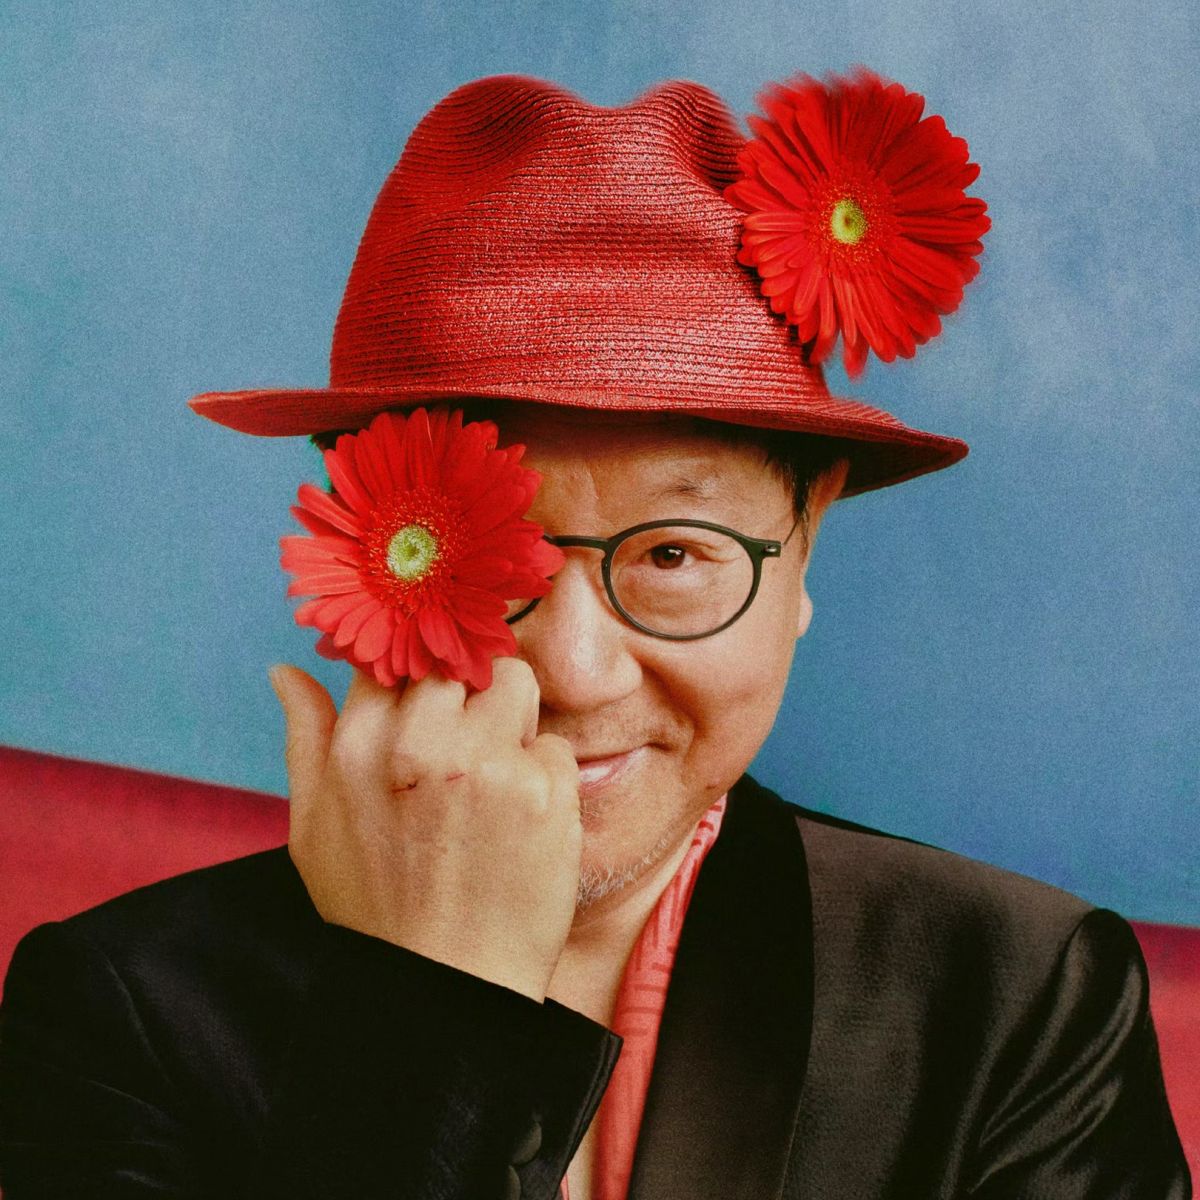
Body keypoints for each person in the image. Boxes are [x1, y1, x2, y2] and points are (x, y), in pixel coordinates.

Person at [0, 70, 1189, 1199]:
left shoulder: (1017, 995)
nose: (573, 672)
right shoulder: (122, 1010)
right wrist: (429, 1012)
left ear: (806, 542)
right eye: (495, 557)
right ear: (371, 546)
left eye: (672, 556)